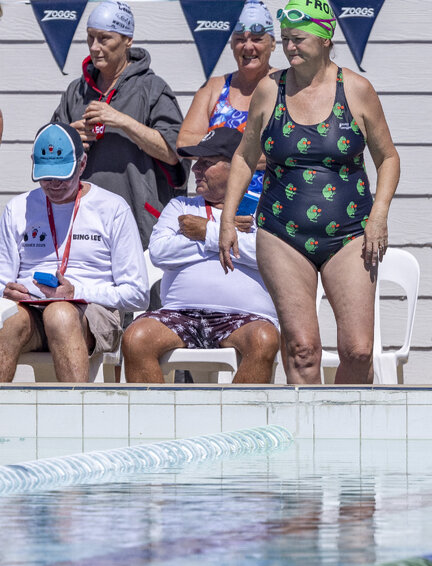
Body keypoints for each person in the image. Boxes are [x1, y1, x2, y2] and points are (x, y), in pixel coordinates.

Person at [218, 0, 400, 385]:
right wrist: (227, 219)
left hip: (351, 233)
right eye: (285, 40)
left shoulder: (356, 90)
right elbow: (244, 157)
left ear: (326, 37)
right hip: (282, 232)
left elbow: (388, 158)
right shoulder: (270, 90)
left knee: (358, 350)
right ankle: (307, 439)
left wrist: (379, 215)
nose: (289, 48)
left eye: (298, 39)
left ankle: (348, 436)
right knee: (302, 349)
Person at [123, 128, 279, 383]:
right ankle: (156, 423)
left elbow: (270, 256)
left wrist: (206, 231)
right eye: (196, 163)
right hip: (180, 313)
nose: (196, 170)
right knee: (135, 338)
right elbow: (160, 253)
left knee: (264, 340)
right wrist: (225, 237)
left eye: (206, 163)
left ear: (238, 167)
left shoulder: (263, 209)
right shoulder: (181, 206)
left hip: (246, 319)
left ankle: (238, 421)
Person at [0, 123, 147, 382]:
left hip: (92, 311)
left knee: (60, 314)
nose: (54, 185)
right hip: (29, 309)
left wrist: (75, 293)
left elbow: (137, 295)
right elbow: (2, 280)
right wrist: (7, 291)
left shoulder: (112, 208)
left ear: (82, 165)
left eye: (63, 176)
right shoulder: (17, 208)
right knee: (6, 321)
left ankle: (75, 416)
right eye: (46, 177)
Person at [52, 0, 186, 248]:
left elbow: (174, 154)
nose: (95, 47)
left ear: (128, 40)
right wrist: (67, 138)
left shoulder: (153, 89)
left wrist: (122, 121)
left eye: (104, 39)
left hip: (139, 222)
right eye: (90, 38)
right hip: (83, 222)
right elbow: (47, 154)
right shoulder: (76, 91)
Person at [177, 0, 276, 197]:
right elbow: (184, 142)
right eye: (240, 39)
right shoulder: (214, 87)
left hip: (272, 208)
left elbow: (293, 149)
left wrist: (218, 147)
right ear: (231, 44)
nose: (248, 47)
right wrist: (250, 151)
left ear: (272, 43)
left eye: (257, 38)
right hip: (217, 207)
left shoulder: (285, 85)